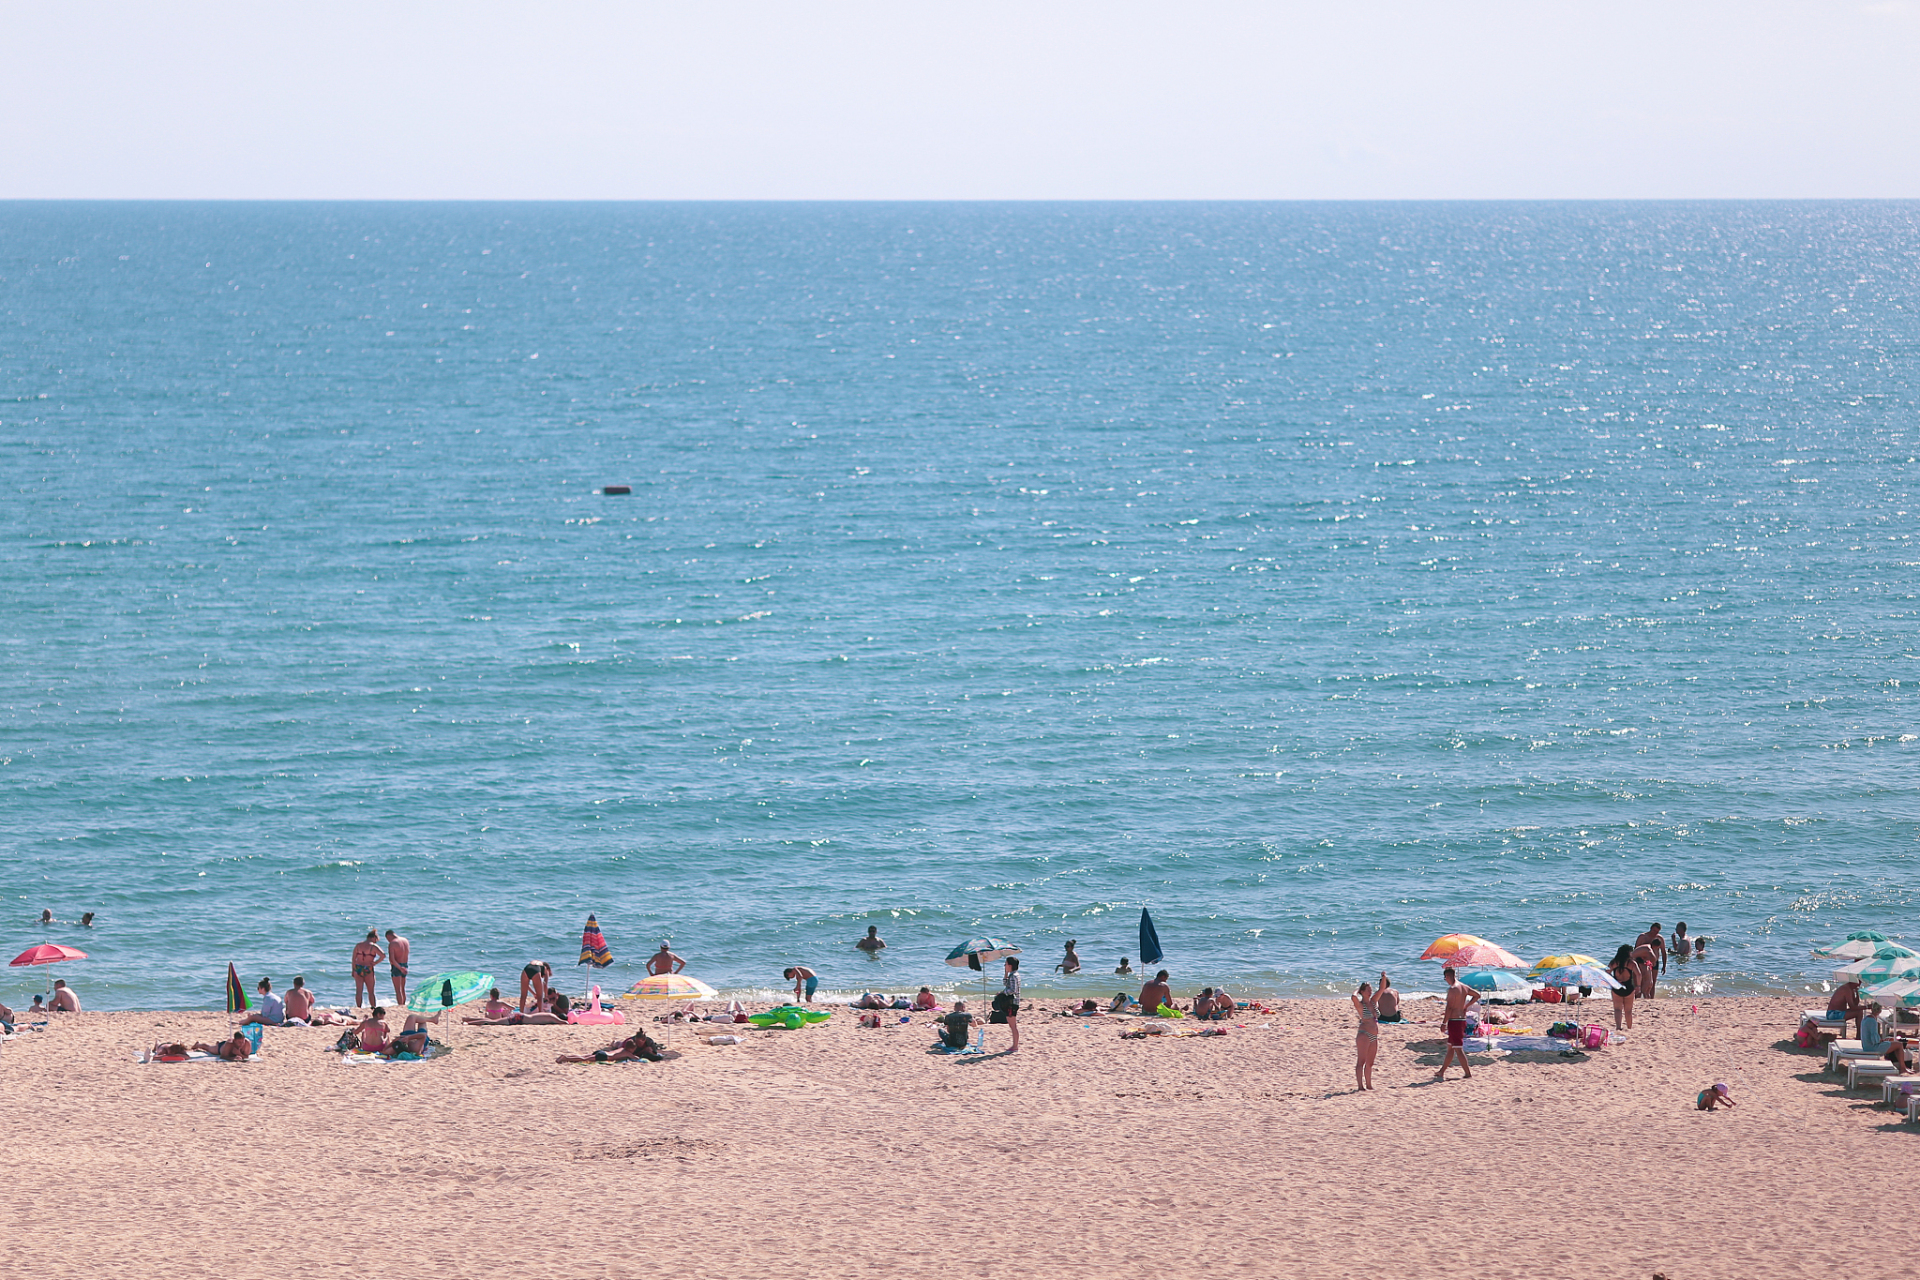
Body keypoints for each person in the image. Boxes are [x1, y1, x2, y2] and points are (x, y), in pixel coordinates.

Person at [1436, 967, 1481, 1081]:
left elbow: (1449, 1007)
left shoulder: (1452, 989)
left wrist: (1444, 1023)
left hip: (1455, 1020)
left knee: (1458, 1048)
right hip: (1461, 1019)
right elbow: (1477, 995)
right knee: (1451, 1047)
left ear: (1448, 976)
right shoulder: (1463, 987)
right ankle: (1441, 1072)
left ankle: (1467, 1073)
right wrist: (1466, 1006)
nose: (1445, 980)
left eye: (1445, 978)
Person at [558, 1029, 663, 1064]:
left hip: (603, 1053)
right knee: (583, 1059)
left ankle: (567, 1056)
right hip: (604, 1056)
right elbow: (637, 1059)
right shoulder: (627, 1053)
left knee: (585, 1056)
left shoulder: (622, 1048)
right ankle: (566, 1058)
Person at [1861, 1002, 1912, 1073]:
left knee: (1895, 1044)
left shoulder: (1866, 1018)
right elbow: (1874, 1038)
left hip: (1866, 1046)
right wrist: (1881, 1041)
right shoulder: (1872, 1021)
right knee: (1899, 1045)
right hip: (1872, 1048)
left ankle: (1902, 1066)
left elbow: (1870, 1036)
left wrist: (1881, 1040)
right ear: (1880, 1011)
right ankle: (1903, 1068)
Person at [1351, 981, 1379, 1091]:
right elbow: (1353, 997)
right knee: (1361, 1061)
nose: (1370, 991)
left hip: (1374, 1035)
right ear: (1362, 992)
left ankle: (1369, 1084)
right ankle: (1360, 1086)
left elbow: (1381, 989)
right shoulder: (1361, 1005)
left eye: (1370, 989)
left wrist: (1383, 977)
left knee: (1370, 1063)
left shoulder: (1373, 1002)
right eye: (1367, 990)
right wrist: (1358, 990)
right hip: (1364, 1034)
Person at [992, 956, 1021, 1052]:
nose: (1005, 965)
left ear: (1010, 965)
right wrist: (1005, 973)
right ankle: (1015, 1045)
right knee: (1012, 1025)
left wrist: (1002, 993)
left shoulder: (1014, 976)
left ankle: (1015, 1046)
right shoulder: (1013, 975)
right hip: (1013, 1002)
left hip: (1012, 1003)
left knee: (1013, 1025)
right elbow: (1006, 984)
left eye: (1006, 964)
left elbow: (1013, 990)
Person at [351, 930, 384, 1009]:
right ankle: (373, 1007)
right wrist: (375, 963)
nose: (376, 941)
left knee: (359, 991)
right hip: (368, 968)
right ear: (373, 938)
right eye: (376, 939)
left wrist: (353, 970)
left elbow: (353, 959)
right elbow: (383, 955)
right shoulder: (373, 946)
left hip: (358, 967)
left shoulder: (358, 945)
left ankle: (359, 1007)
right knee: (371, 991)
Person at [1609, 945, 1639, 1030]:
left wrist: (1612, 981)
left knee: (1617, 1009)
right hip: (1628, 987)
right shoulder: (1631, 963)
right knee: (1628, 1010)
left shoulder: (1613, 962)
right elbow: (1638, 974)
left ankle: (1618, 1027)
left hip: (1616, 987)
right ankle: (1629, 1027)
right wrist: (1638, 986)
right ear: (1628, 953)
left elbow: (1607, 972)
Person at [385, 929, 410, 1004]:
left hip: (397, 966)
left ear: (389, 936)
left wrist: (399, 968)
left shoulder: (393, 943)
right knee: (402, 988)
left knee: (398, 990)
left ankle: (400, 1005)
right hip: (405, 964)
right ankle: (403, 1004)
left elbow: (392, 959)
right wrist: (403, 968)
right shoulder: (405, 940)